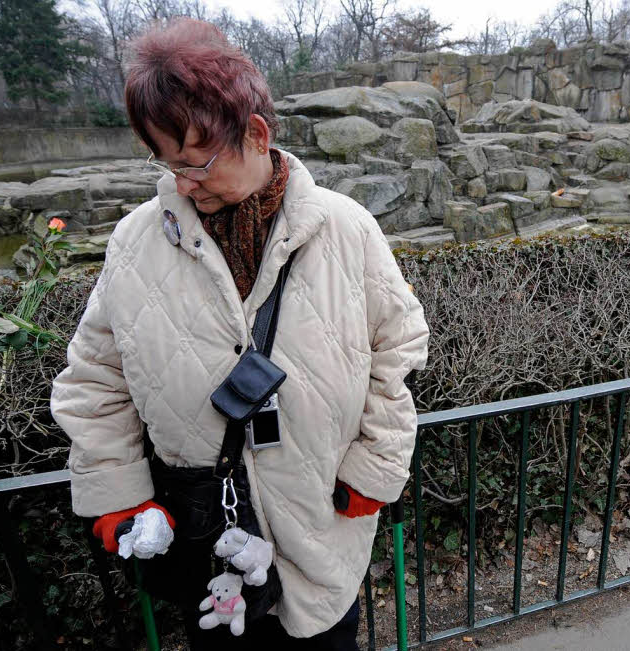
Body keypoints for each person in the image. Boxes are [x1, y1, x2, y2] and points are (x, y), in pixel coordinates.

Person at [50, 18, 429, 650]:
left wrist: (376, 469)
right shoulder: (134, 244)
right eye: (166, 162)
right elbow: (95, 380)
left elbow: (399, 353)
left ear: (255, 133)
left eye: (195, 162)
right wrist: (117, 494)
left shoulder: (348, 230)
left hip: (322, 531)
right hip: (210, 548)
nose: (181, 184)